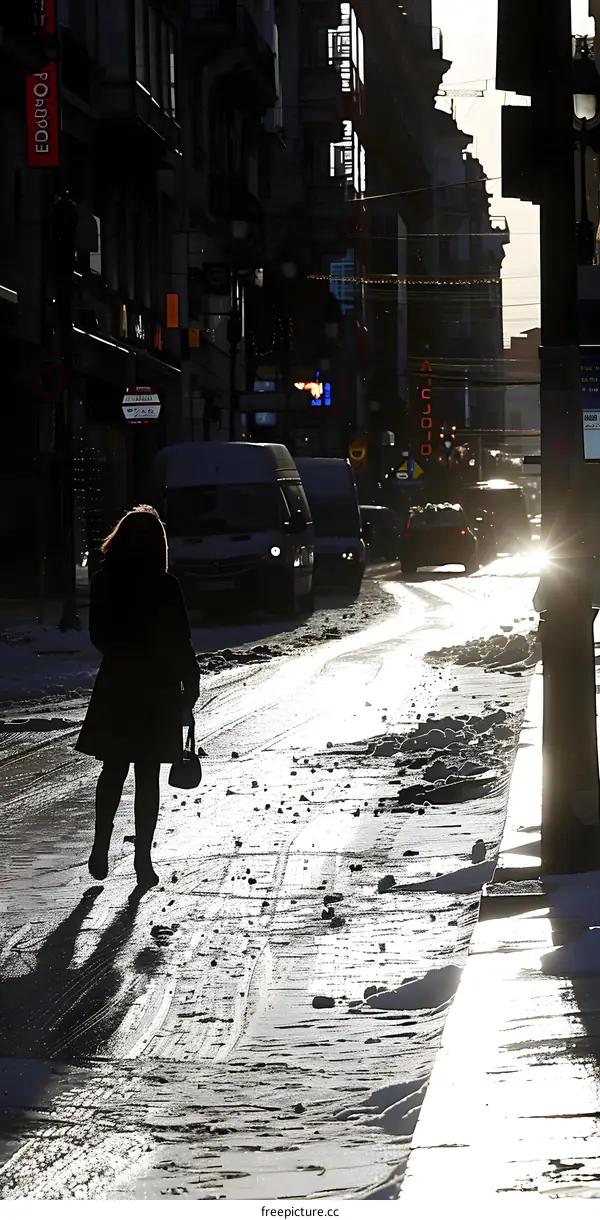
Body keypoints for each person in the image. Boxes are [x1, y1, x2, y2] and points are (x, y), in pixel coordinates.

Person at [75, 504, 200, 889]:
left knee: (112, 768)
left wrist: (123, 656)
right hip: (158, 688)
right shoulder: (166, 587)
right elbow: (181, 642)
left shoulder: (104, 581)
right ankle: (142, 858)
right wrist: (188, 688)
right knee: (147, 778)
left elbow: (99, 635)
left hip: (118, 685)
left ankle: (100, 844)